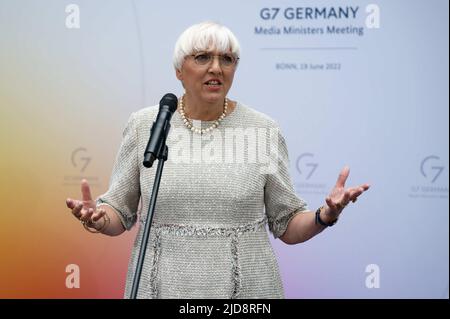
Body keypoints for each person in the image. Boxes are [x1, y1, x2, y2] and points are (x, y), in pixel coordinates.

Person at [66, 21, 370, 299]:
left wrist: (325, 216)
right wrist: (99, 218)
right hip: (160, 289)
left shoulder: (262, 130)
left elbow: (287, 224)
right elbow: (119, 211)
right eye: (202, 58)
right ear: (178, 70)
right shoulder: (146, 125)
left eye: (227, 59)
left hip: (248, 293)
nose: (216, 68)